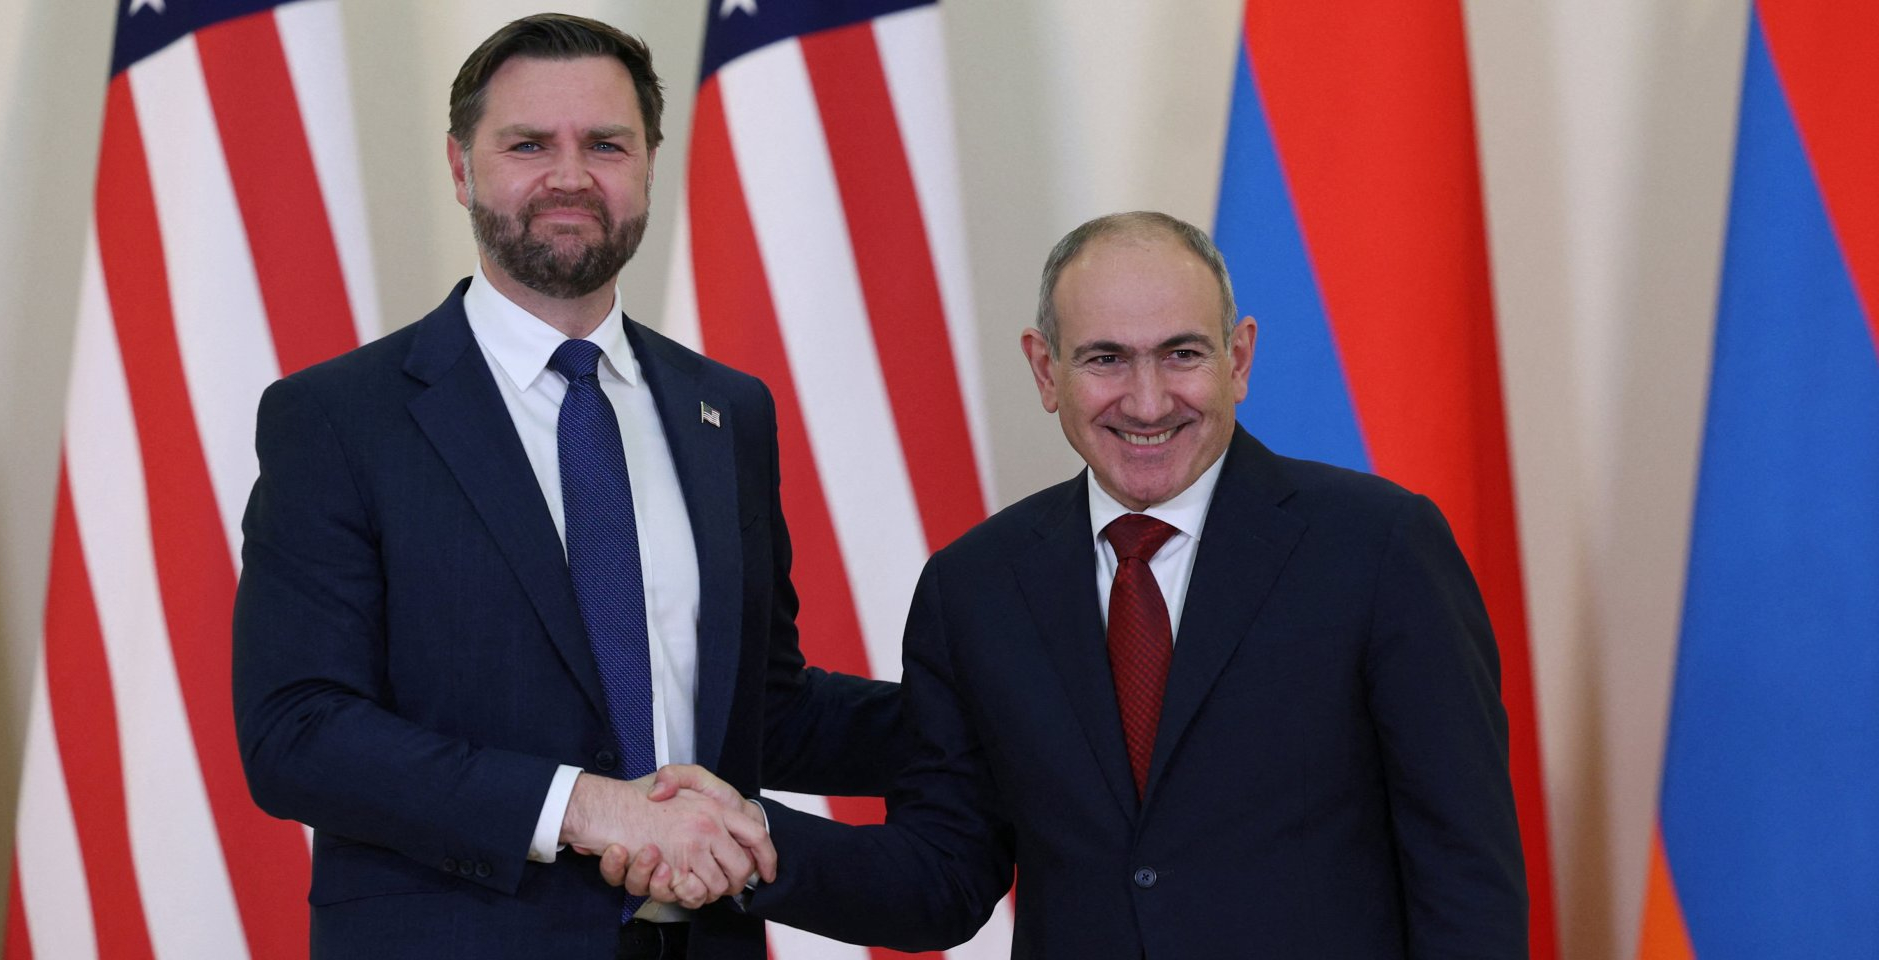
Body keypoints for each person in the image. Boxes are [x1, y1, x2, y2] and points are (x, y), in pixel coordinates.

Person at [628, 211, 1530, 957]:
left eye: (1182, 354)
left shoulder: (1377, 547)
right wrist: (753, 844)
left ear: (1240, 358)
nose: (1146, 401)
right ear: (1043, 370)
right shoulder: (974, 587)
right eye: (1105, 359)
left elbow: (1466, 875)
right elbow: (943, 878)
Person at [231, 14, 901, 960]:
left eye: (606, 145)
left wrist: (1007, 709)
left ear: (650, 166)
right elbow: (297, 733)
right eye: (529, 144)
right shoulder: (340, 418)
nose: (571, 176)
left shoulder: (729, 412)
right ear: (462, 168)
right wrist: (587, 809)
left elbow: (764, 709)